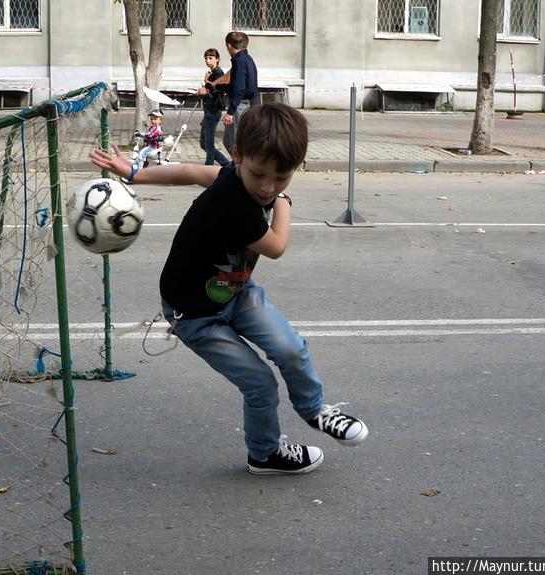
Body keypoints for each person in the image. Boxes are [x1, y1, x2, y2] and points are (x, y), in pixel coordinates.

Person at [89, 103, 368, 475]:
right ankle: (265, 454)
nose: (268, 188)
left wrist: (136, 173)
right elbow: (277, 247)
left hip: (235, 292)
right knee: (259, 384)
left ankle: (315, 410)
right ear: (237, 155)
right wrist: (286, 201)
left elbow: (189, 171)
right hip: (195, 315)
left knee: (291, 348)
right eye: (260, 175)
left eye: (281, 178)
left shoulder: (232, 175)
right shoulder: (235, 205)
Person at [212, 31, 258, 157]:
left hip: (239, 106)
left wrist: (230, 112)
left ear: (229, 46)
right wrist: (216, 86)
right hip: (245, 103)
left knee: (235, 143)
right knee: (229, 142)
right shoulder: (247, 59)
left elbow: (239, 89)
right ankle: (238, 168)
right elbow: (236, 85)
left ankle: (240, 171)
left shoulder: (239, 62)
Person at [197, 48, 230, 166]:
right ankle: (225, 163)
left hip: (214, 110)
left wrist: (205, 84)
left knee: (208, 143)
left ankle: (208, 167)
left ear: (217, 59)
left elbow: (214, 89)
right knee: (203, 143)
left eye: (210, 58)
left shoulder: (218, 73)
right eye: (206, 58)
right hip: (208, 110)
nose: (207, 60)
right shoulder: (212, 73)